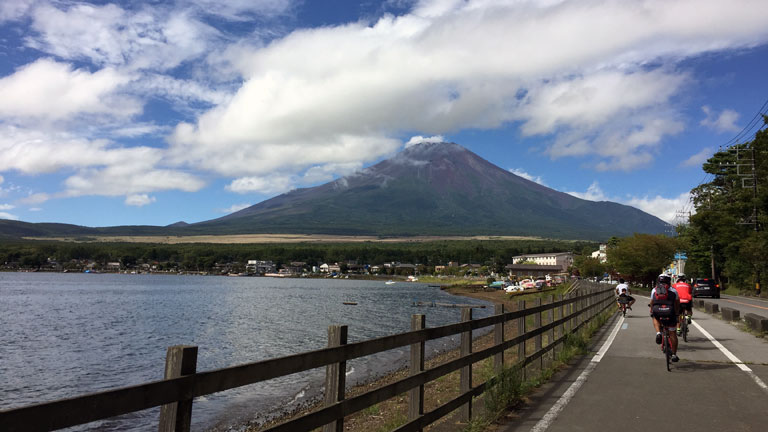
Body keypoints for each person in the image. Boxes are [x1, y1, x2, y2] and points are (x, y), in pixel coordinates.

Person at [650, 274, 681, 362]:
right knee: (672, 334)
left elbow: (652, 302)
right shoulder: (673, 290)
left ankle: (658, 333)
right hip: (670, 312)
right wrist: (676, 313)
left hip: (657, 311)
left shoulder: (654, 290)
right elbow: (677, 303)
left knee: (655, 317)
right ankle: (674, 354)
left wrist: (651, 311)